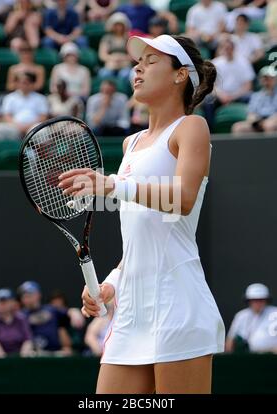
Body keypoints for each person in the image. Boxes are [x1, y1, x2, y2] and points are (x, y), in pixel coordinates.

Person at [58, 34, 225, 393]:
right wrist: (111, 285)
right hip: (132, 314)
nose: (138, 67)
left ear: (180, 75)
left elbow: (182, 199)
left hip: (178, 308)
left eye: (151, 61)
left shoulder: (191, 127)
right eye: (138, 62)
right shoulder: (130, 143)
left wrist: (113, 185)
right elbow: (141, 238)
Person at [203, 36, 255, 131]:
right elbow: (211, 85)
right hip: (220, 96)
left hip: (239, 95)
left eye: (229, 47)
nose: (227, 50)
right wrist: (221, 95)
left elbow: (248, 86)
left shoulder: (244, 62)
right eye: (225, 47)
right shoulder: (216, 63)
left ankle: (253, 127)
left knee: (252, 98)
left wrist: (233, 96)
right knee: (207, 101)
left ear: (234, 48)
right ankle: (210, 130)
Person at [18, 281, 73, 355]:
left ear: (38, 295)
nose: (28, 298)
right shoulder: (20, 315)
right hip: (33, 354)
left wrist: (74, 312)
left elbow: (68, 312)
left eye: (30, 294)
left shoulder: (51, 309)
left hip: (56, 352)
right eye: (24, 295)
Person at [0, 72, 48, 142]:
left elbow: (43, 117)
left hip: (33, 127)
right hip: (14, 127)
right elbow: (6, 116)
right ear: (17, 84)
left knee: (43, 131)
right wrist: (17, 126)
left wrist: (28, 126)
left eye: (27, 83)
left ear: (32, 84)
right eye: (21, 82)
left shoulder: (41, 98)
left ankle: (39, 152)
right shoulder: (9, 98)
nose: (24, 85)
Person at [225, 283, 277, 353]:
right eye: (254, 300)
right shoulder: (241, 316)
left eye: (261, 300)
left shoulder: (275, 313)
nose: (258, 303)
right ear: (248, 301)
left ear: (266, 300)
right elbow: (230, 340)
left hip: (272, 357)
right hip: (248, 357)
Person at [0, 289, 33, 358]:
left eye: (5, 301)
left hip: (18, 356)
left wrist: (22, 360)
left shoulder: (21, 318)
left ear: (13, 302)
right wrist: (5, 362)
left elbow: (28, 339)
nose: (2, 304)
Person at [232, 65, 277, 133]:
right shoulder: (256, 96)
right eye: (264, 78)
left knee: (269, 126)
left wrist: (269, 121)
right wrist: (254, 120)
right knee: (238, 127)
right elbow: (251, 113)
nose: (267, 81)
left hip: (272, 121)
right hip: (258, 122)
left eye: (270, 78)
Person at [98, 12, 131, 80]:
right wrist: (113, 58)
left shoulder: (128, 38)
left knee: (125, 75)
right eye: (116, 25)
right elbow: (102, 55)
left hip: (125, 65)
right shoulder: (107, 38)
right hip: (110, 65)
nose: (118, 27)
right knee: (104, 74)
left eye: (120, 25)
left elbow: (132, 56)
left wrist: (121, 58)